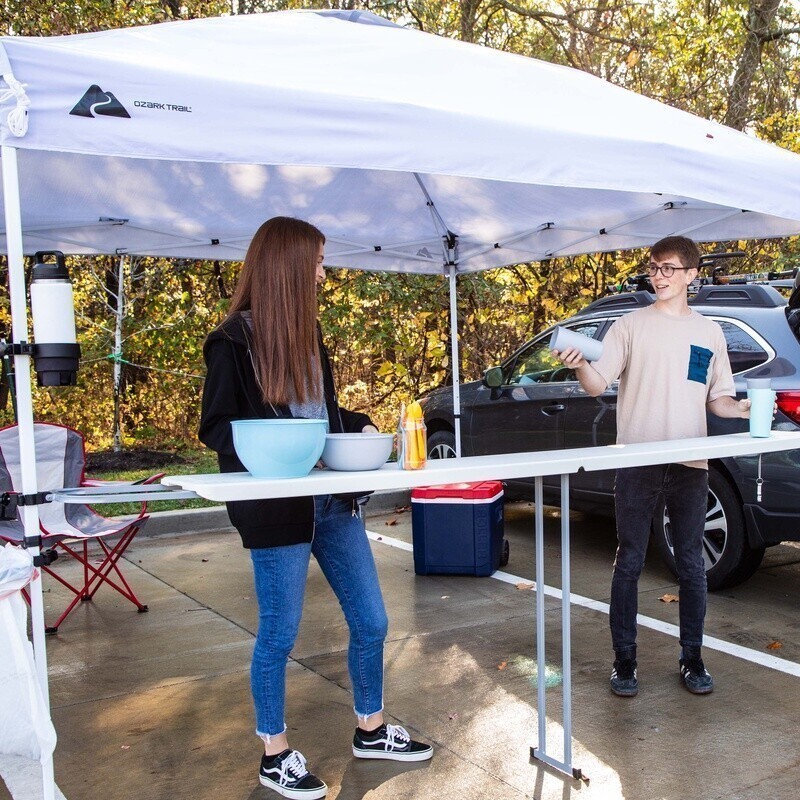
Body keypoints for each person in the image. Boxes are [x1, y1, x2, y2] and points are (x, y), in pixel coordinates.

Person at [199, 217, 432, 799]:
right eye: (319, 263)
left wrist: (360, 426)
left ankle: (371, 730)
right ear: (289, 268)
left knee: (372, 621)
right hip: (278, 509)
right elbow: (216, 429)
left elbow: (322, 417)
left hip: (331, 504)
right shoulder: (230, 341)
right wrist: (277, 448)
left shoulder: (309, 336)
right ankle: (274, 754)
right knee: (279, 634)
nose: (324, 272)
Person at [553, 236, 750, 698]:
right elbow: (597, 384)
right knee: (630, 562)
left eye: (668, 268)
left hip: (689, 462)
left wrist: (739, 410)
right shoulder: (630, 325)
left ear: (691, 275)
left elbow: (716, 398)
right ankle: (625, 661)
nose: (658, 275)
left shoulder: (708, 332)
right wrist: (580, 365)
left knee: (691, 566)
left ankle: (693, 658)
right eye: (654, 267)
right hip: (638, 459)